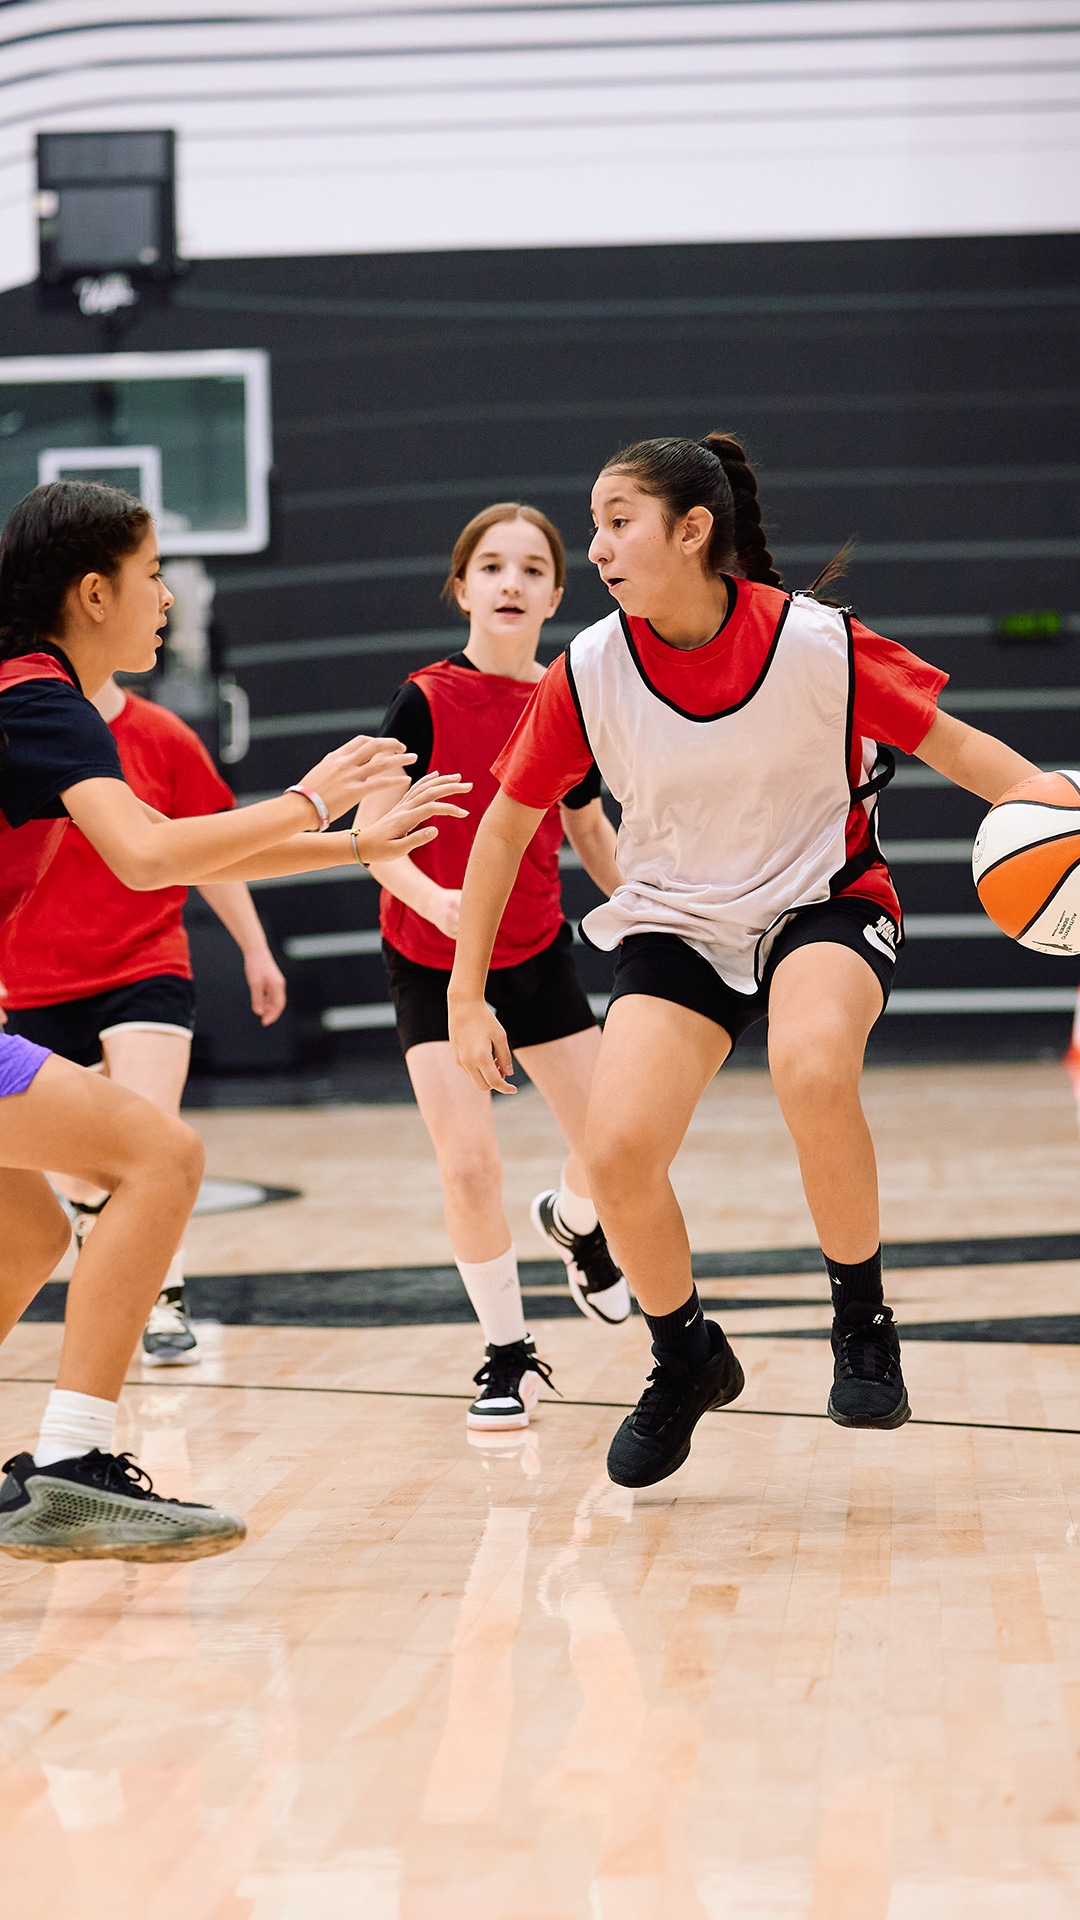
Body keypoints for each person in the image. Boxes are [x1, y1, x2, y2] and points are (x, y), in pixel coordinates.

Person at [447, 434, 1039, 1487]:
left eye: (618, 521)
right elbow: (503, 826)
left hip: (826, 899)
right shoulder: (591, 666)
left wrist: (1059, 813)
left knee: (813, 1069)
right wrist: (463, 986)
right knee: (618, 1153)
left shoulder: (818, 645)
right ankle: (687, 1356)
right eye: (593, 526)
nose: (597, 549)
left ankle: (862, 1323)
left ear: (692, 530)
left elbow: (958, 747)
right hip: (681, 918)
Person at [0, 479, 468, 1560]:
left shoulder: (37, 691)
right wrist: (315, 801)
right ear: (91, 591)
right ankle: (72, 1466)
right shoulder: (37, 697)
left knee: (27, 1229)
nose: (169, 597)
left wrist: (357, 847)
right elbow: (153, 858)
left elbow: (179, 836)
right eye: (155, 573)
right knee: (160, 1155)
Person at [355, 502, 630, 1434]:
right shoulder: (424, 699)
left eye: (530, 569)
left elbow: (588, 825)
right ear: (463, 587)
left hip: (536, 950)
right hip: (430, 959)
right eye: (491, 567)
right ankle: (507, 1352)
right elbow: (374, 834)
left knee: (618, 1139)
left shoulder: (569, 698)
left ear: (557, 592)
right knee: (469, 1165)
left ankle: (580, 1227)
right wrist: (426, 895)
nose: (510, 582)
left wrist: (644, 910)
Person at [0, 671, 288, 1368]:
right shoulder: (26, 723)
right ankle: (111, 1268)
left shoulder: (161, 735)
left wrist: (255, 947)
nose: (160, 600)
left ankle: (165, 1295)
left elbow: (213, 849)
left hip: (144, 961)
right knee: (76, 1176)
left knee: (152, 1132)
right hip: (38, 972)